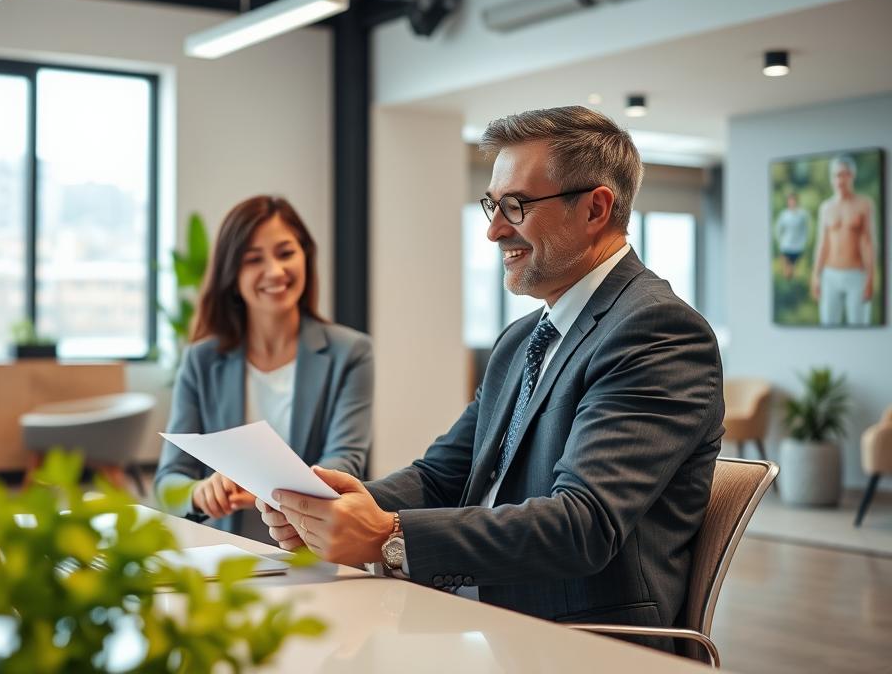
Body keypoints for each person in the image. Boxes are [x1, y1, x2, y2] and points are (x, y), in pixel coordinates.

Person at [257, 107, 724, 652]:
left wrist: (388, 536)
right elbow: (441, 477)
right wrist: (333, 509)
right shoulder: (523, 339)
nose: (493, 230)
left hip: (583, 642)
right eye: (492, 205)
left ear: (595, 208)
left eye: (516, 206)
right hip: (473, 616)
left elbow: (583, 524)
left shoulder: (656, 331)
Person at [155, 195, 374, 544]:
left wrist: (270, 485)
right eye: (253, 259)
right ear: (232, 275)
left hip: (314, 551)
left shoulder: (351, 352)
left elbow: (344, 462)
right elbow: (168, 483)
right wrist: (202, 492)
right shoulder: (202, 360)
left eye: (286, 253)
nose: (274, 271)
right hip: (224, 558)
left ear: (306, 256)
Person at [811, 155, 876, 326]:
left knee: (860, 325)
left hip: (856, 275)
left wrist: (870, 278)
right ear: (832, 178)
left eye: (844, 174)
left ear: (852, 176)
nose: (840, 179)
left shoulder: (864, 204)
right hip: (830, 275)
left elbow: (868, 242)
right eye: (836, 175)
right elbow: (822, 244)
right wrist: (815, 275)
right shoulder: (826, 208)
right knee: (827, 324)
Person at [774, 192, 809, 280]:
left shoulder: (802, 214)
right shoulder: (784, 214)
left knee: (796, 270)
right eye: (790, 200)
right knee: (786, 267)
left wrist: (803, 242)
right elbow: (778, 229)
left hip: (798, 247)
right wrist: (781, 241)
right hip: (786, 246)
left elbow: (804, 230)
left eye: (793, 200)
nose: (792, 202)